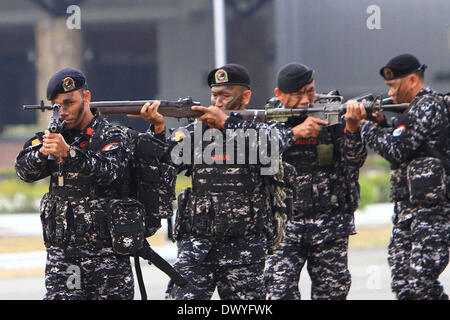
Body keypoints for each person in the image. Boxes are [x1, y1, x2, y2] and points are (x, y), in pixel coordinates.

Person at [137, 63, 304, 300]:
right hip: (197, 246)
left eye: (225, 96)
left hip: (245, 247)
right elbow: (162, 161)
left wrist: (227, 123)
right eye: (214, 95)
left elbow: (272, 145)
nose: (217, 102)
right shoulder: (196, 133)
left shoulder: (261, 128)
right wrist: (157, 128)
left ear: (245, 97)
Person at [15, 68, 135, 300]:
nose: (63, 111)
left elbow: (109, 171)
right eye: (56, 105)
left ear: (86, 97)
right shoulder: (51, 137)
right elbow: (23, 171)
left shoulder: (113, 135)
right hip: (64, 257)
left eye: (69, 103)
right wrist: (43, 152)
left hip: (107, 256)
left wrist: (69, 154)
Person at [256, 63, 367, 300]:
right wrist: (294, 133)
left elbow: (354, 160)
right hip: (284, 223)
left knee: (332, 293)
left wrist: (353, 128)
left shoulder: (331, 110)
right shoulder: (268, 117)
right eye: (298, 94)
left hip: (330, 221)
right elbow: (258, 155)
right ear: (279, 95)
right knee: (278, 292)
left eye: (310, 91)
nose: (307, 100)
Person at [353, 53, 449, 300]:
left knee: (421, 283)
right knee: (403, 285)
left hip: (432, 214)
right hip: (407, 212)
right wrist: (382, 125)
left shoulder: (427, 106)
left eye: (394, 86)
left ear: (412, 81)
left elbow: (397, 148)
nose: (391, 93)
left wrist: (364, 125)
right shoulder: (412, 111)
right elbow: (400, 144)